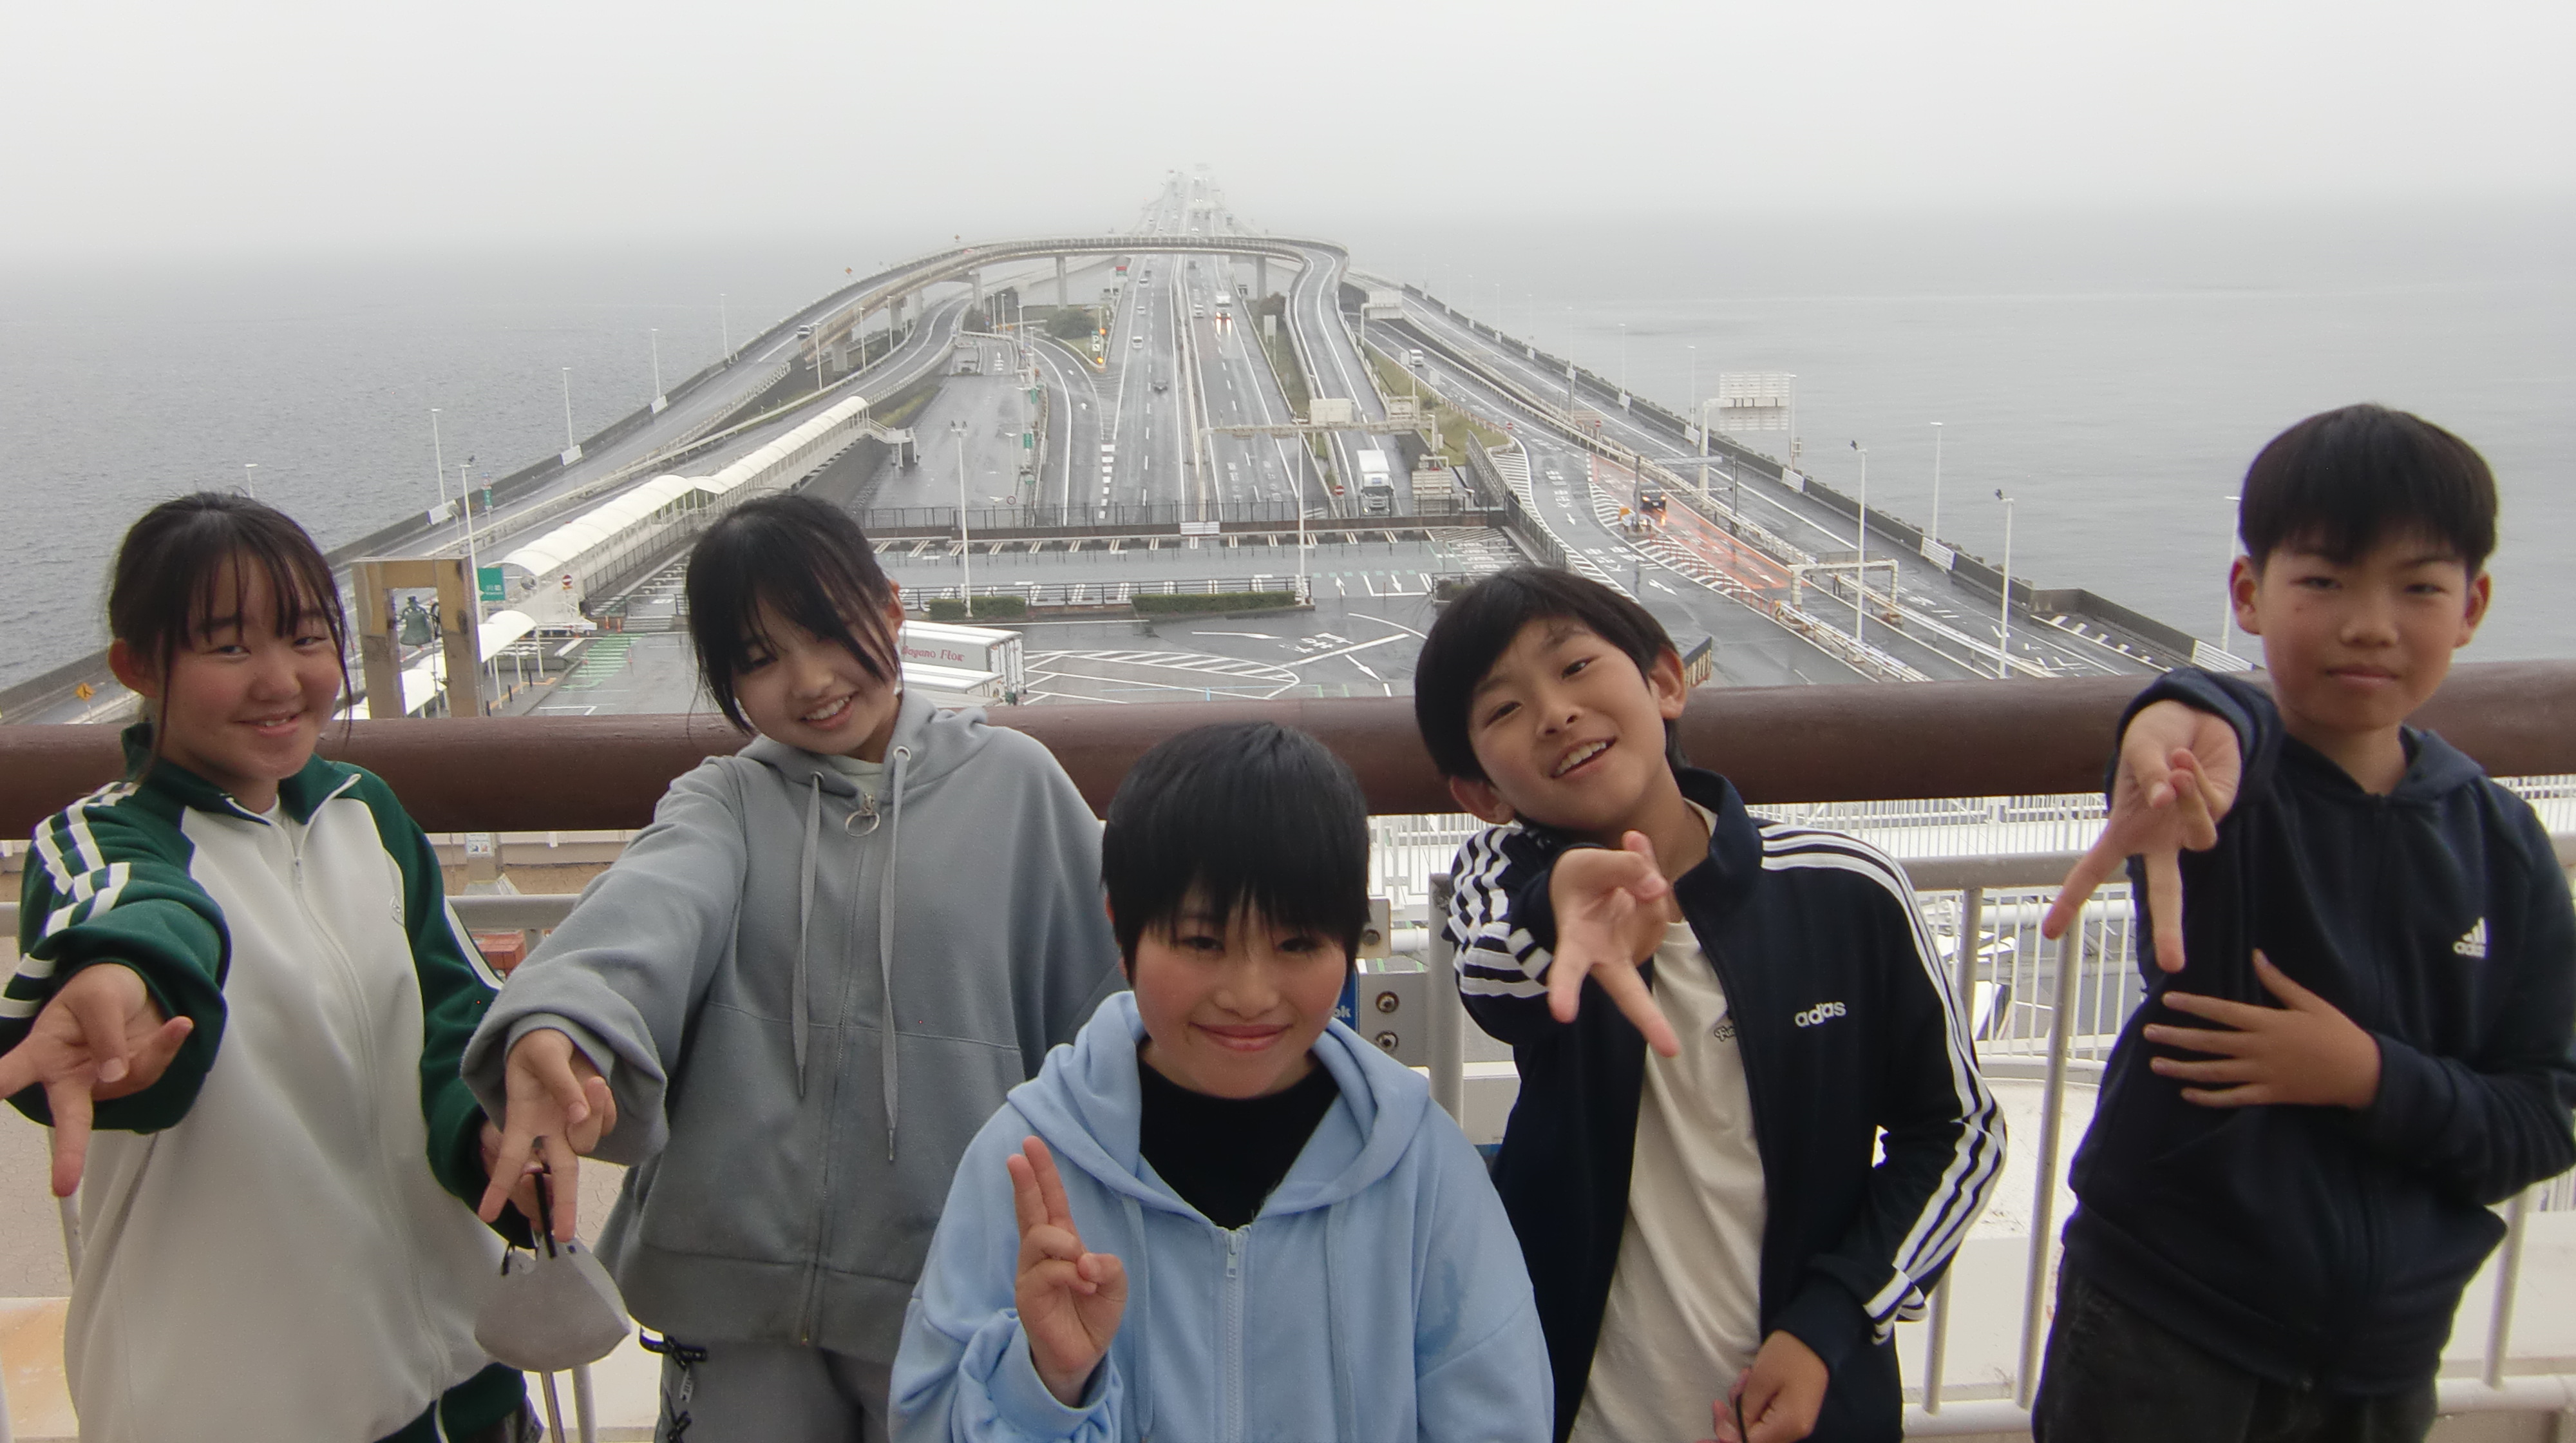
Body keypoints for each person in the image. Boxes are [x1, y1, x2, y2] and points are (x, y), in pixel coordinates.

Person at [464, 492, 1124, 1443]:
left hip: (950, 1288)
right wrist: (561, 1019)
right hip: (735, 1311)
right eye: (759, 657)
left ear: (890, 607)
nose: (809, 681)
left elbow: (1114, 1004)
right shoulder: (723, 801)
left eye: (826, 630)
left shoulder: (1019, 787)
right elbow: (644, 909)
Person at [2034, 404, 2576, 1442]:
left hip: (2386, 1353)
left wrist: (2366, 1074)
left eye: (2418, 587)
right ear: (2249, 593)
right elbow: (2205, 717)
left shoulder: (2502, 843)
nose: (2369, 624)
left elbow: (2543, 1118)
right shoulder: (2219, 796)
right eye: (2323, 582)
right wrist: (2171, 714)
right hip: (2163, 1316)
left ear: (2473, 605)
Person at [1414, 566, 2003, 1443]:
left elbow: (1958, 1132)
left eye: (1575, 666)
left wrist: (1834, 1317)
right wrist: (1557, 908)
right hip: (1573, 1413)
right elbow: (1494, 980)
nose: (1555, 712)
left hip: (1806, 1404)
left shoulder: (1846, 890)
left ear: (1665, 680)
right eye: (1503, 709)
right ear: (1482, 795)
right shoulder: (1497, 882)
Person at [0, 492, 537, 1442]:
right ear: (137, 667)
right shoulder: (100, 842)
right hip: (238, 1408)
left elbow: (453, 1012)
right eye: (228, 646)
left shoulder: (364, 810)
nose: (281, 679)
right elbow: (141, 913)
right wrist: (123, 980)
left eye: (306, 637)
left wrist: (489, 1129)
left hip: (466, 1384)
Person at [891, 722, 1552, 1443]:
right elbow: (925, 1420)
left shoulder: (1421, 1166)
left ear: (1349, 936)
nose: (1248, 995)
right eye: (1202, 942)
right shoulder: (1028, 1163)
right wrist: (1046, 1382)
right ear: (1122, 931)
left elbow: (1500, 1415)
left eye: (1297, 943)